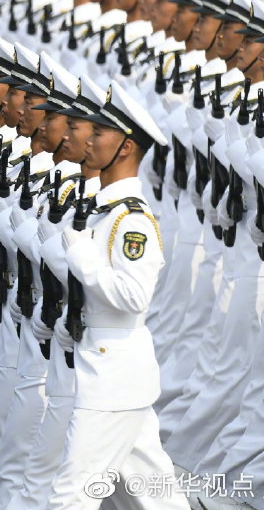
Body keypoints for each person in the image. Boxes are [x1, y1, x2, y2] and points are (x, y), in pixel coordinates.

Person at [47, 82, 187, 510]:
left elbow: (133, 296)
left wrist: (80, 250)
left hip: (111, 372)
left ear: (125, 147)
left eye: (99, 135)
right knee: (153, 492)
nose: (87, 141)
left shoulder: (132, 221)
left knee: (71, 495)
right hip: (110, 369)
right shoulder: (102, 208)